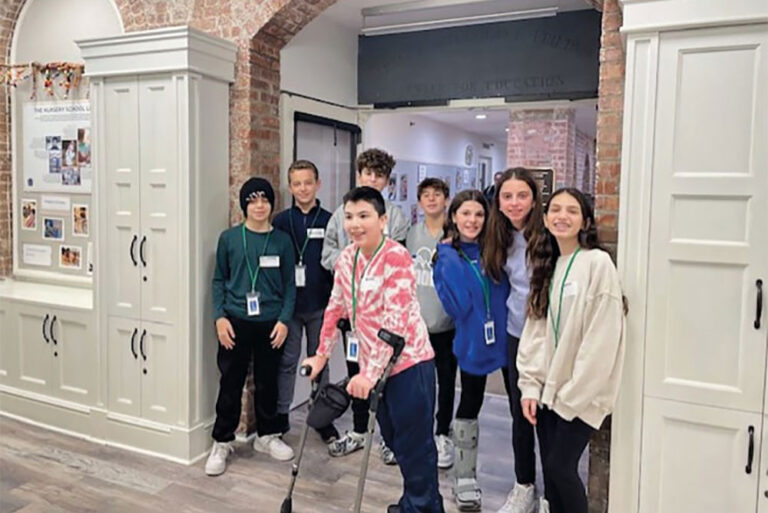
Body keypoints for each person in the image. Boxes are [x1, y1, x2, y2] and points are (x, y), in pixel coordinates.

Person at [303, 186, 444, 513]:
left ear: (382, 220)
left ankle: (421, 507)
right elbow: (335, 307)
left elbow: (394, 325)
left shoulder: (397, 257)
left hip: (409, 365)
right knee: (394, 440)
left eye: (364, 216)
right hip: (376, 370)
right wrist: (321, 354)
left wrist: (367, 374)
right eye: (349, 217)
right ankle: (416, 503)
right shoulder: (347, 259)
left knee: (415, 446)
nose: (355, 224)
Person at [517, 188, 626, 513]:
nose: (562, 216)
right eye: (556, 210)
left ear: (584, 221)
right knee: (551, 476)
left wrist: (572, 395)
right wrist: (530, 386)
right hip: (549, 393)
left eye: (572, 211)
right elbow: (535, 334)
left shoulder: (597, 263)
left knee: (560, 468)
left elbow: (601, 340)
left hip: (580, 395)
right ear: (546, 219)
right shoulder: (548, 265)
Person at [320, 148, 409, 463]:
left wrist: (366, 268)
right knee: (356, 371)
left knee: (383, 375)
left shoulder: (394, 216)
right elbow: (327, 251)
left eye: (379, 175)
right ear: (359, 175)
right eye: (367, 173)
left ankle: (387, 437)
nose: (372, 179)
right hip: (351, 315)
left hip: (382, 319)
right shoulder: (340, 213)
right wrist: (347, 265)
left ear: (387, 180)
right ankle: (359, 431)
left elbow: (395, 260)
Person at [205, 177, 297, 476]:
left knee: (268, 381)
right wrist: (219, 317)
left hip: (271, 323)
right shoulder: (229, 238)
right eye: (253, 200)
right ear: (244, 204)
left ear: (272, 204)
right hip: (235, 321)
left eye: (265, 200)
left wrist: (284, 320)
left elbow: (290, 286)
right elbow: (219, 280)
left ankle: (267, 435)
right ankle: (222, 440)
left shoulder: (282, 240)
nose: (259, 206)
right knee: (231, 382)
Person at [432, 190, 510, 512]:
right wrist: (446, 256)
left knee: (523, 410)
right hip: (473, 341)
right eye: (465, 214)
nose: (472, 221)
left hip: (508, 338)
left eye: (479, 214)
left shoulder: (500, 250)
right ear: (453, 217)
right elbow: (460, 305)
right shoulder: (447, 258)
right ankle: (465, 476)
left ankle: (527, 483)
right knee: (471, 403)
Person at [482, 168, 546, 513]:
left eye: (522, 195)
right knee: (519, 415)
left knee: (550, 417)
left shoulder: (549, 233)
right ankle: (524, 486)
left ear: (534, 199)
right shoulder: (500, 235)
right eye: (507, 196)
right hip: (516, 335)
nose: (514, 202)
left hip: (549, 339)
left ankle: (553, 492)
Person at [272, 160, 339, 444]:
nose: (303, 188)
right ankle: (280, 417)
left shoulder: (330, 220)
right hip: (288, 307)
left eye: (308, 182)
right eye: (297, 183)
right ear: (290, 187)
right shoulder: (280, 221)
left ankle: (322, 419)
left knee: (320, 363)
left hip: (320, 305)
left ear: (318, 184)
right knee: (286, 363)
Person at [406, 178, 456, 469]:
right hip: (418, 324)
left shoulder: (456, 234)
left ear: (446, 199)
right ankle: (421, 431)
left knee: (447, 380)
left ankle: (442, 432)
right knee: (419, 383)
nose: (432, 200)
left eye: (437, 195)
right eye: (426, 195)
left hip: (448, 324)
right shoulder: (412, 234)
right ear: (420, 201)